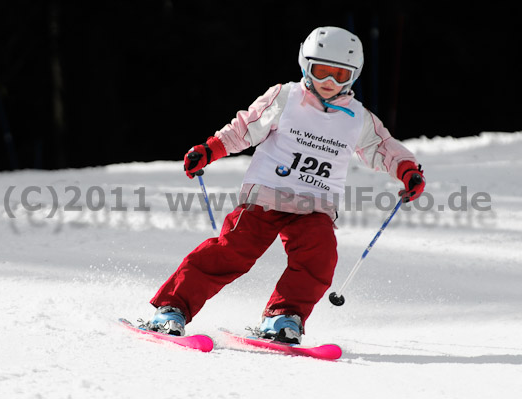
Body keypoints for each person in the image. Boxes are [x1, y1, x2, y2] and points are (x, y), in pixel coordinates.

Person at [142, 26, 425, 343]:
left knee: (319, 258)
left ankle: (283, 317)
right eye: (321, 72)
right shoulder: (285, 97)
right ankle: (171, 309)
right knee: (230, 252)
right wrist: (210, 150)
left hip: (314, 207)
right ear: (306, 65)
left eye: (339, 75)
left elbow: (383, 148)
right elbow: (244, 128)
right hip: (265, 197)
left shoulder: (357, 118)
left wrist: (407, 170)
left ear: (353, 76)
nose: (329, 83)